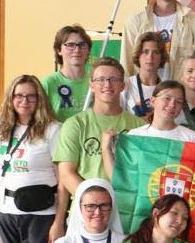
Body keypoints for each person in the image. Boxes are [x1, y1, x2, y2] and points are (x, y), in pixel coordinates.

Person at [0, 75, 64, 243]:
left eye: (31, 96)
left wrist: (59, 222)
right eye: (19, 96)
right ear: (11, 98)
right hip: (3, 212)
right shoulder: (0, 127)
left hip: (40, 215)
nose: (25, 101)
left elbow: (63, 180)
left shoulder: (53, 129)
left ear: (40, 99)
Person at [54, 58, 142, 190]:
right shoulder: (75, 124)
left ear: (122, 86)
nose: (107, 84)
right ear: (91, 85)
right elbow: (67, 173)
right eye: (100, 79)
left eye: (113, 79)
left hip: (125, 200)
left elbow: (142, 172)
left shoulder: (139, 126)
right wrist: (91, 199)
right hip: (86, 201)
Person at [44, 25, 94, 122]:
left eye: (82, 44)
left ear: (88, 50)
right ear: (59, 50)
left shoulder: (96, 81)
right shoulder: (48, 83)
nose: (77, 50)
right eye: (70, 45)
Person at [121, 32, 166, 117]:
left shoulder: (167, 88)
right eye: (145, 52)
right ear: (138, 55)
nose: (150, 57)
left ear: (161, 57)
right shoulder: (126, 86)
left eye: (155, 52)